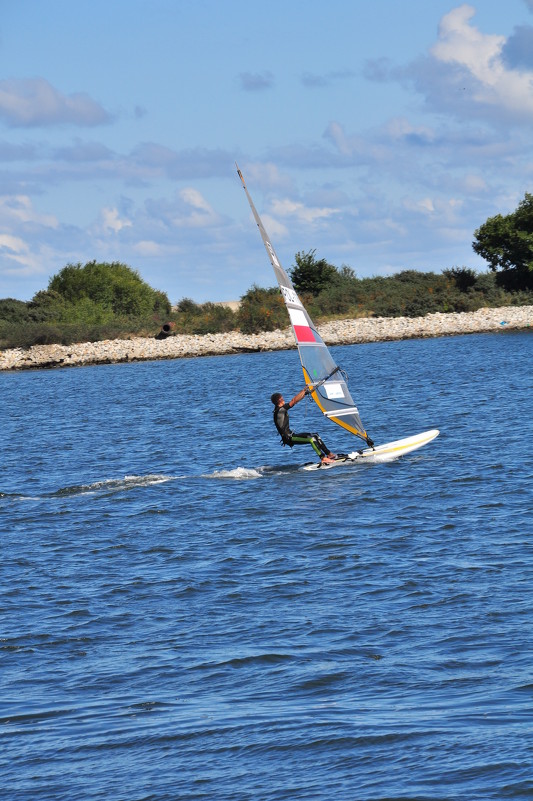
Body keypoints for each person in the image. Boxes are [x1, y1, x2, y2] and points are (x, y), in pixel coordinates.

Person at [271, 388, 337, 464]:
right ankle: (323, 458)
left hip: (291, 435)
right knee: (311, 439)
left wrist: (304, 393)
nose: (284, 399)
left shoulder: (280, 409)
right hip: (288, 438)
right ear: (280, 400)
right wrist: (304, 390)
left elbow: (295, 400)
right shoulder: (280, 410)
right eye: (282, 398)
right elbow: (293, 401)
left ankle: (329, 454)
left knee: (315, 435)